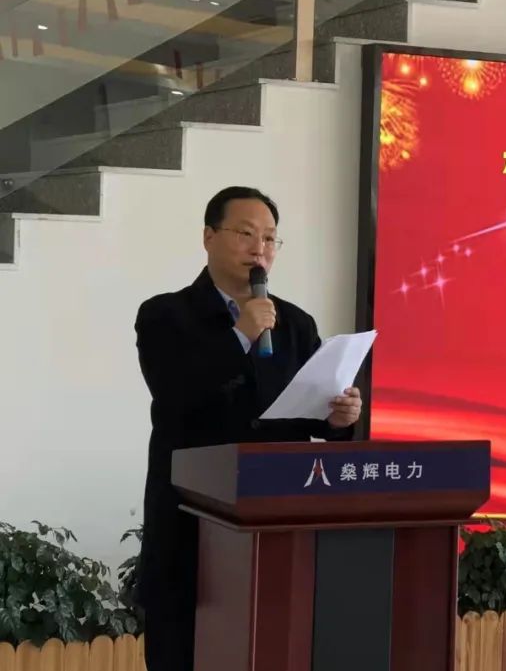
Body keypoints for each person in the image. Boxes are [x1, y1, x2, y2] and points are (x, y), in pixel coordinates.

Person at [133, 186, 362, 671]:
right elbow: (176, 397)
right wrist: (240, 335)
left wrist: (340, 418)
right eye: (246, 233)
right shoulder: (164, 315)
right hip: (191, 532)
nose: (260, 248)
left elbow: (311, 415)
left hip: (276, 533)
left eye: (271, 238)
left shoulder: (295, 324)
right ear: (209, 237)